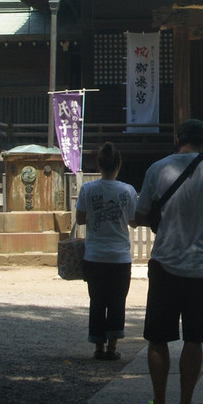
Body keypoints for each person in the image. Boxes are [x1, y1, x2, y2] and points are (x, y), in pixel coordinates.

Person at [134, 119, 203, 404]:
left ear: (177, 138)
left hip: (165, 262)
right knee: (195, 339)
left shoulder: (157, 168)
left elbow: (139, 216)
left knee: (158, 337)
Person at [75, 142, 137, 360]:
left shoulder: (87, 189)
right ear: (118, 164)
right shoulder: (127, 190)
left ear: (98, 165)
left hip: (94, 254)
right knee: (117, 301)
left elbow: (80, 219)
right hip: (120, 256)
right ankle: (112, 348)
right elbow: (133, 221)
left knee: (97, 301)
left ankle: (97, 347)